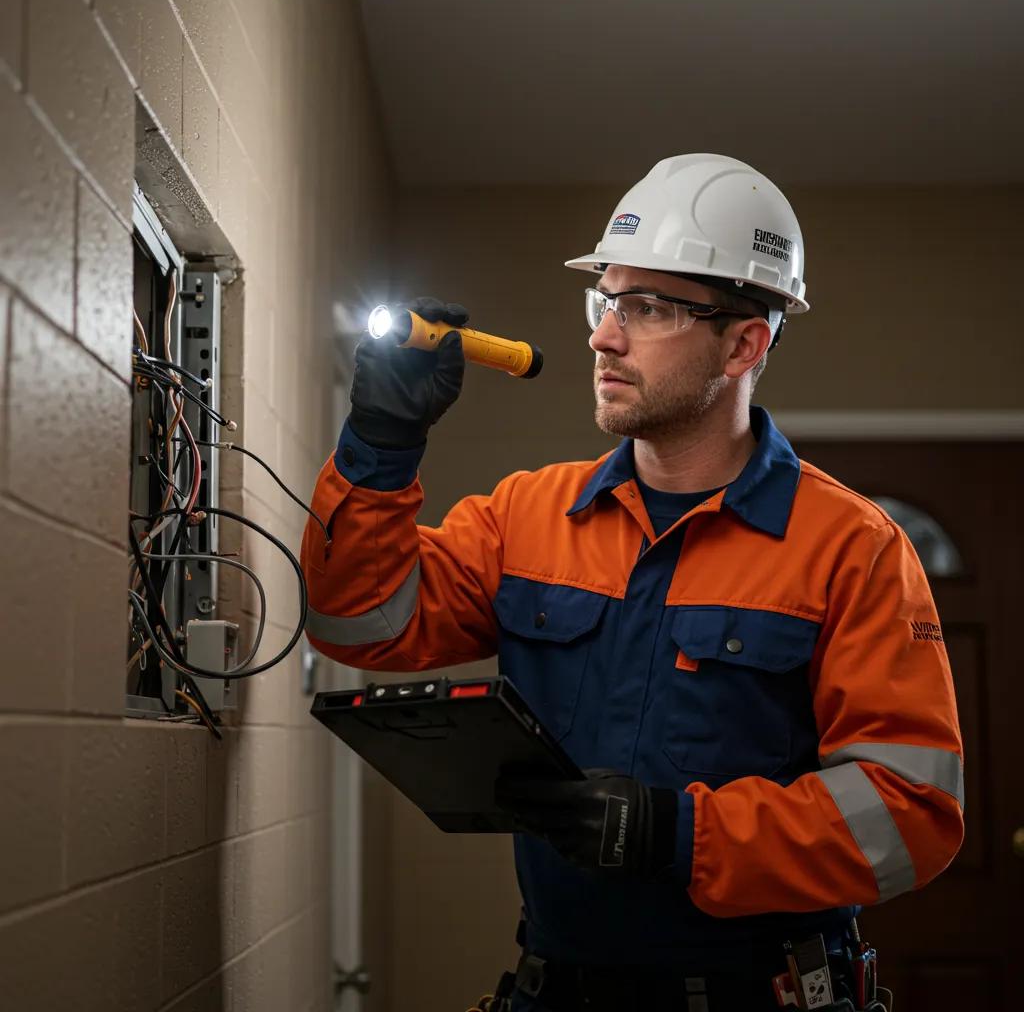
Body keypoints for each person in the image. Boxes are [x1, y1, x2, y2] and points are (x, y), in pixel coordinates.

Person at [300, 154, 964, 1011]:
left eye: (648, 308)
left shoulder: (852, 548)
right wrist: (382, 443)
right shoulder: (527, 516)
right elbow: (355, 624)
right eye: (606, 301)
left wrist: (680, 835)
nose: (603, 336)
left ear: (744, 343)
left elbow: (910, 816)